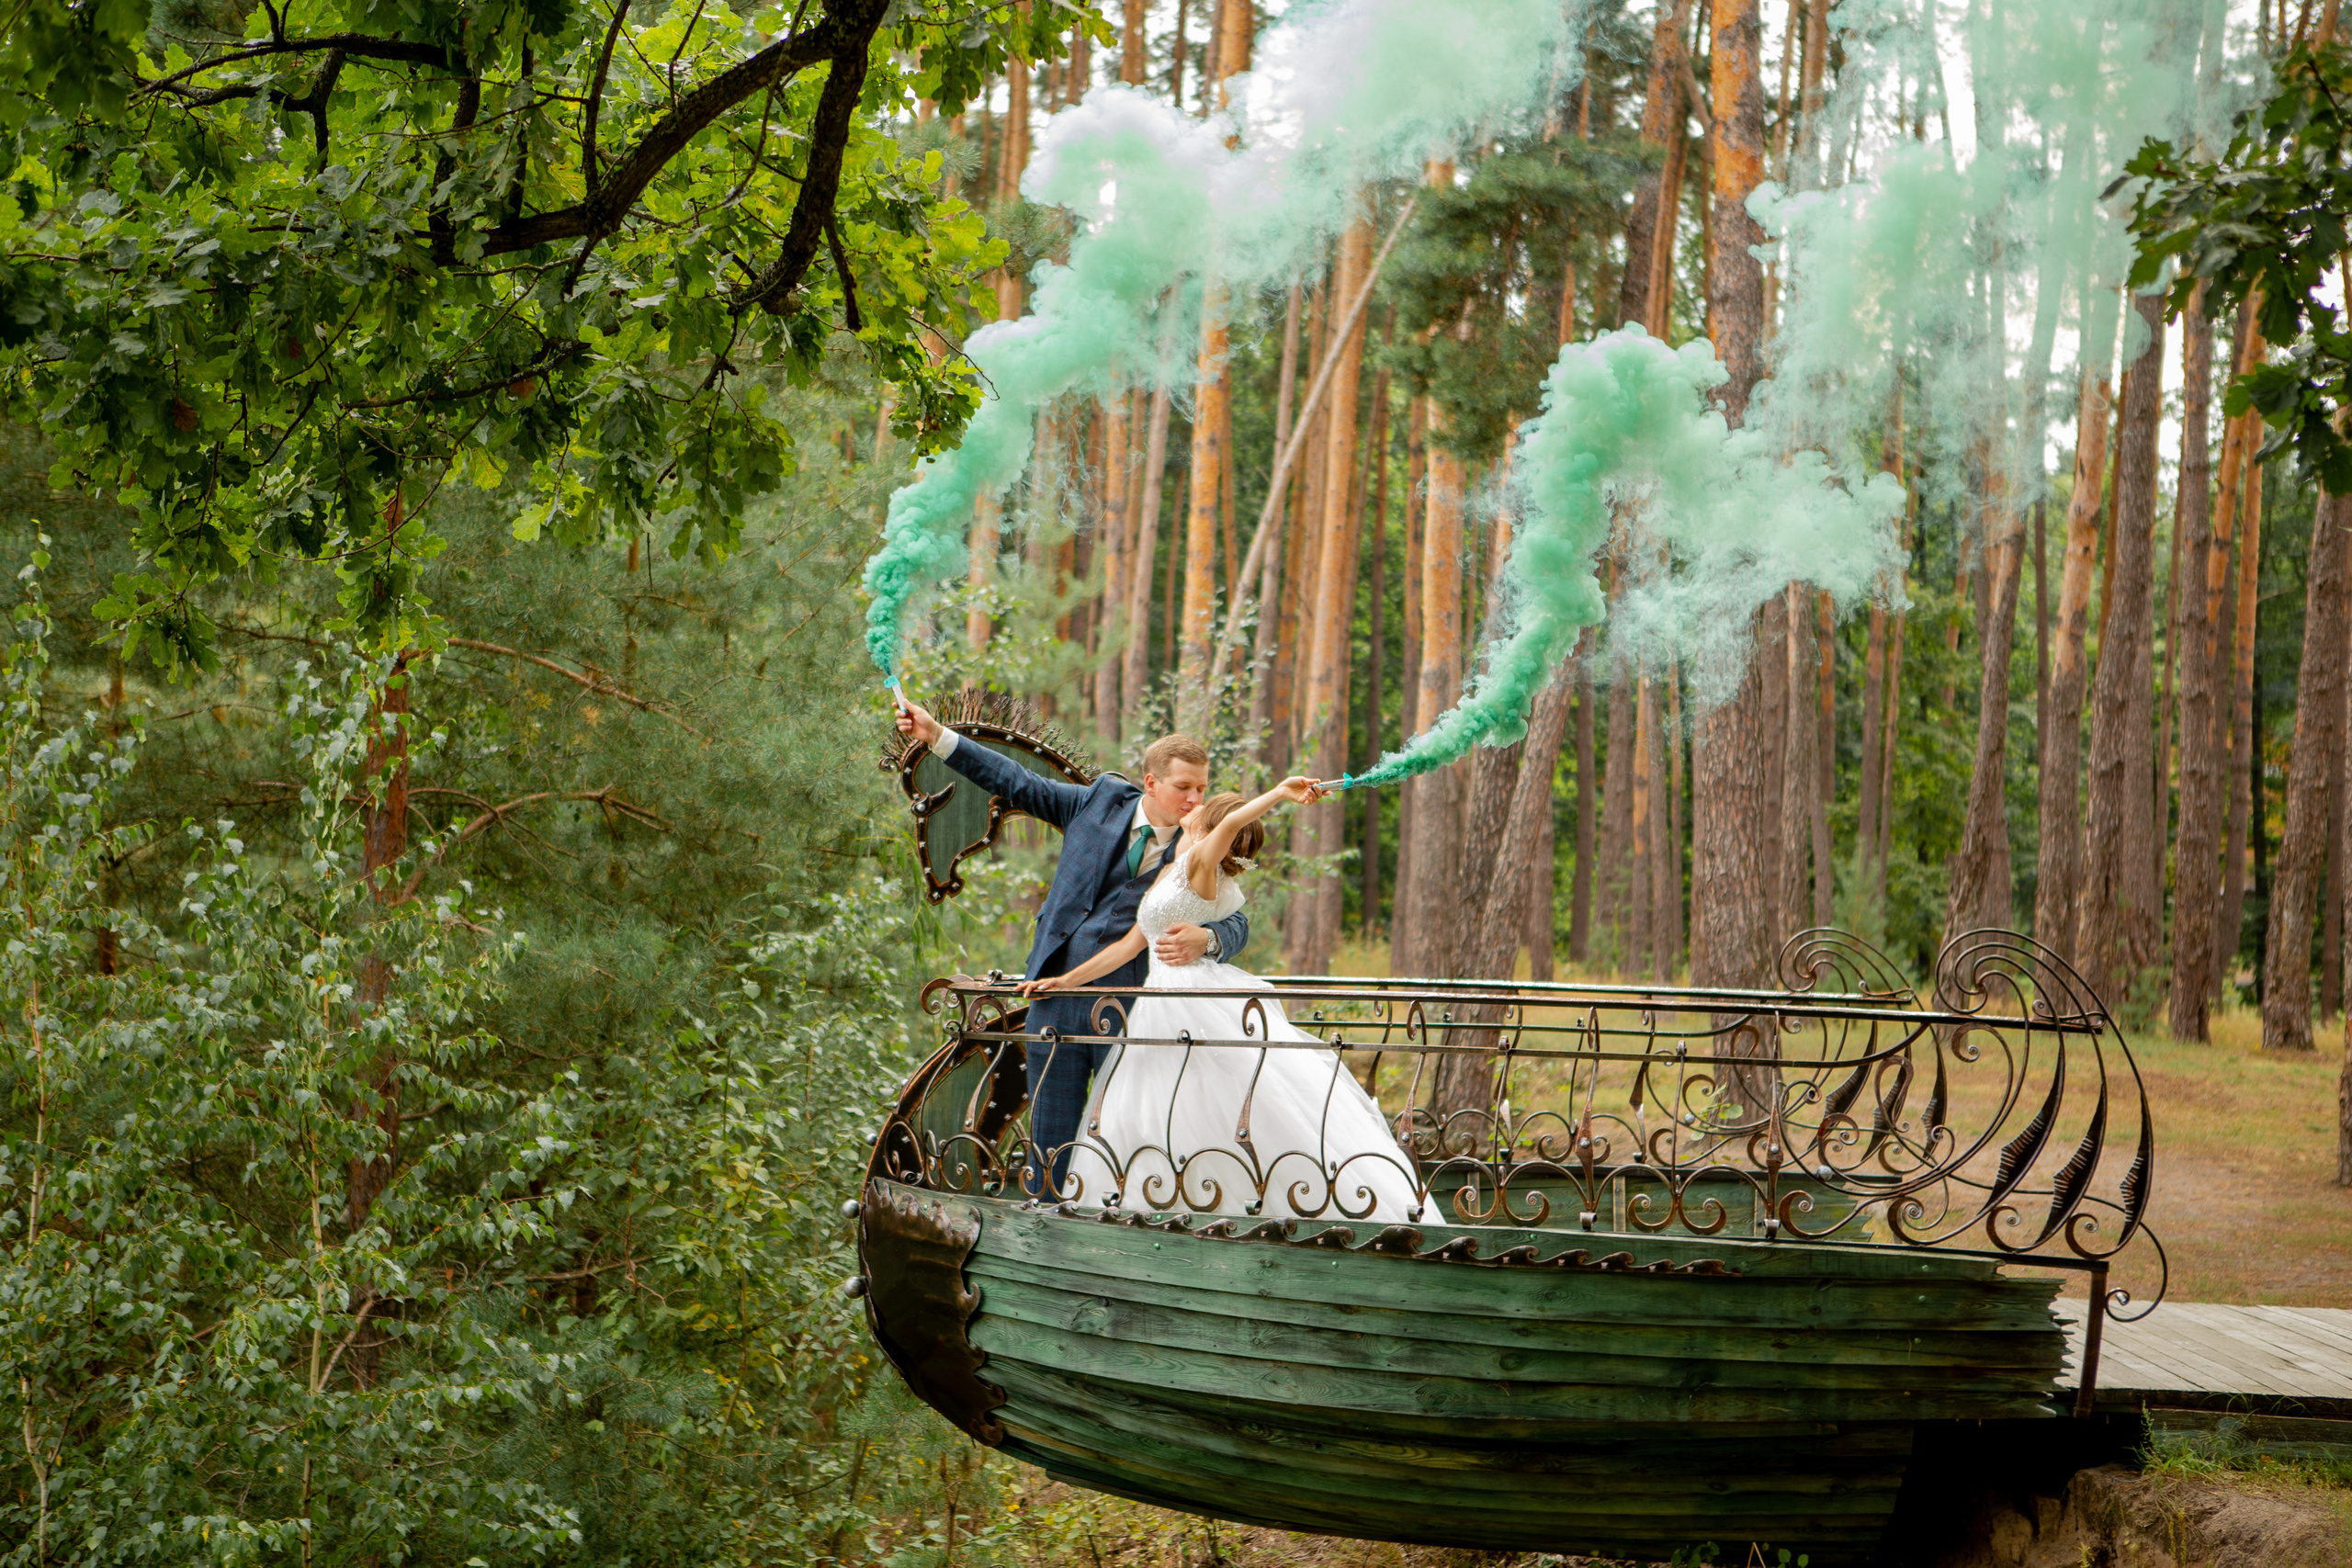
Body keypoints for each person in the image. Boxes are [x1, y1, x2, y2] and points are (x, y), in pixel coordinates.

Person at [891, 694, 1251, 1195]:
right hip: (1056, 998)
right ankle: (1045, 1219)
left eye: (1202, 788)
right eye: (1184, 787)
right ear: (1151, 783)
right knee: (1050, 1133)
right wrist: (936, 736)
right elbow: (1016, 780)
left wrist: (1207, 938)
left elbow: (1238, 921)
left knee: (1128, 1134)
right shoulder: (1097, 801)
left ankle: (1118, 1225)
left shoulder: (1204, 841)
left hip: (1134, 1010)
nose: (1195, 799)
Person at [1020, 778, 1422, 1224]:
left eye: (1203, 802)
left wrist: (1280, 793)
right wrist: (1064, 980)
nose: (1193, 803)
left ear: (1208, 828)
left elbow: (1231, 824)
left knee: (1188, 1104)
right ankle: (1154, 1204)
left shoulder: (1200, 861)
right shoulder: (1175, 867)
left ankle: (1203, 1205)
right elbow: (1129, 946)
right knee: (1154, 1108)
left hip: (1186, 999)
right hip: (1157, 1000)